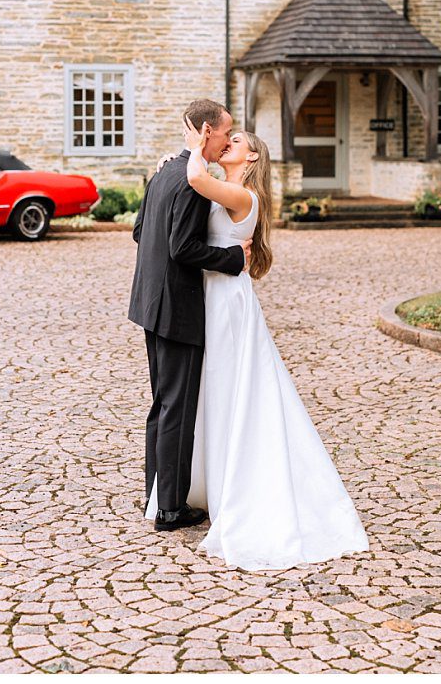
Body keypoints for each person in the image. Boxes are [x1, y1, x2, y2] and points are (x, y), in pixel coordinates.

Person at [142, 118, 370, 570]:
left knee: (232, 392)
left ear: (251, 158)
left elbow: (192, 178)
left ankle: (239, 489)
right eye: (227, 136)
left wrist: (190, 148)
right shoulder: (216, 185)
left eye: (237, 140)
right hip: (206, 298)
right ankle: (200, 485)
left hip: (226, 304)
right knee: (207, 395)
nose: (228, 142)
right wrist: (168, 162)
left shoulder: (244, 195)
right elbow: (183, 191)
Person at [128, 98, 250, 532]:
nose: (225, 141)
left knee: (161, 403)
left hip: (148, 302)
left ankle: (155, 494)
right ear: (206, 132)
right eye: (224, 132)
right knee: (177, 406)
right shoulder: (196, 183)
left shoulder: (165, 171)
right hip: (177, 307)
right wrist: (233, 256)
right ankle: (171, 509)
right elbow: (184, 249)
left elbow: (140, 231)